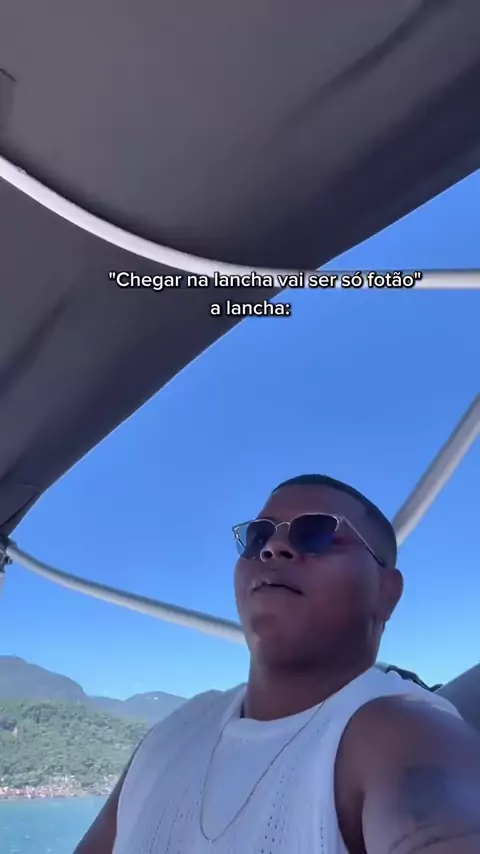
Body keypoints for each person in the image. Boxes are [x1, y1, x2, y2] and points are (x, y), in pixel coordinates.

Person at [75, 474, 480, 854]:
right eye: (257, 537)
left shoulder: (404, 731)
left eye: (316, 532)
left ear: (387, 592)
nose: (273, 547)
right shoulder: (170, 733)